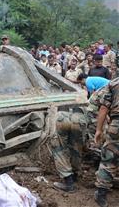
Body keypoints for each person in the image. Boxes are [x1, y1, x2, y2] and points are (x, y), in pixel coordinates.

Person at [93, 78, 119, 207]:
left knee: (109, 159)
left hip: (116, 125)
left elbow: (103, 108)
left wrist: (98, 130)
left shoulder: (114, 83)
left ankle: (101, 194)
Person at [50, 108, 87, 192]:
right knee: (76, 149)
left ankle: (69, 183)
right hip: (80, 118)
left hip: (63, 117)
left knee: (59, 149)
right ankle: (74, 176)